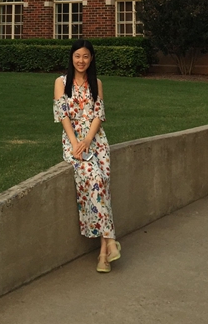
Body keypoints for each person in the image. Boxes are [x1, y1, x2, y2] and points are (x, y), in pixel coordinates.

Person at [53, 39, 121, 273]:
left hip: (96, 140)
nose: (81, 61)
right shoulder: (61, 82)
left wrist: (88, 140)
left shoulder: (96, 83)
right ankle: (110, 241)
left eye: (85, 56)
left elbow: (99, 114)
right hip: (73, 140)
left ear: (91, 59)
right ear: (71, 58)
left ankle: (103, 253)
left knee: (103, 184)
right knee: (96, 179)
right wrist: (76, 144)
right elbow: (62, 114)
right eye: (77, 56)